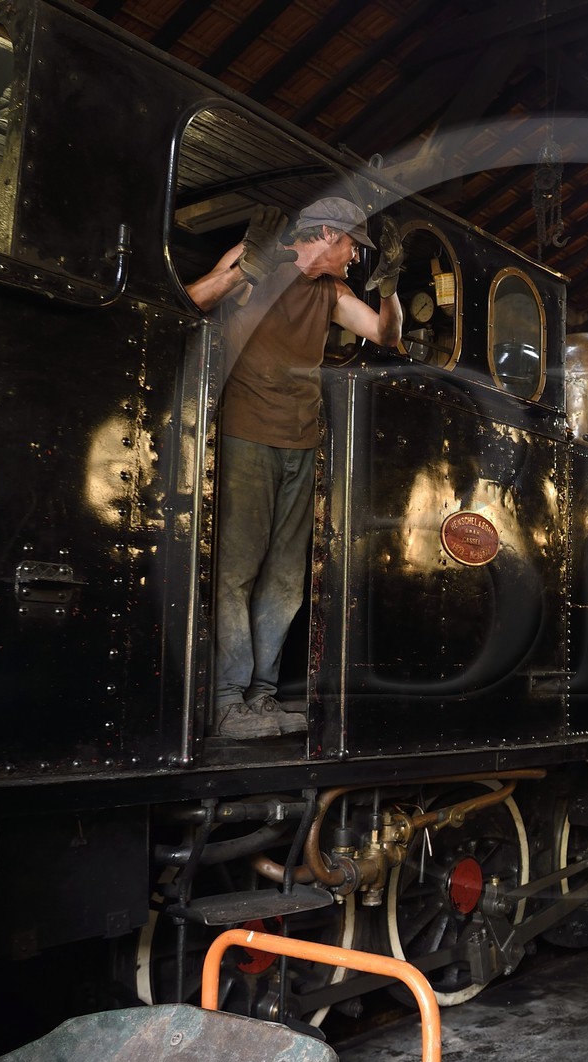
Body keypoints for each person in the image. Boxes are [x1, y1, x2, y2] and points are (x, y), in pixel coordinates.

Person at [188, 197, 403, 738]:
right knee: (236, 572)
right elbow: (192, 302)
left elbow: (387, 335)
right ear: (329, 234)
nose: (356, 257)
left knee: (285, 579)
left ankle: (260, 699)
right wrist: (245, 272)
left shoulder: (334, 292)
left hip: (301, 442)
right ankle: (225, 700)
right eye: (355, 246)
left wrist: (392, 288)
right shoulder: (255, 257)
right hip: (244, 433)